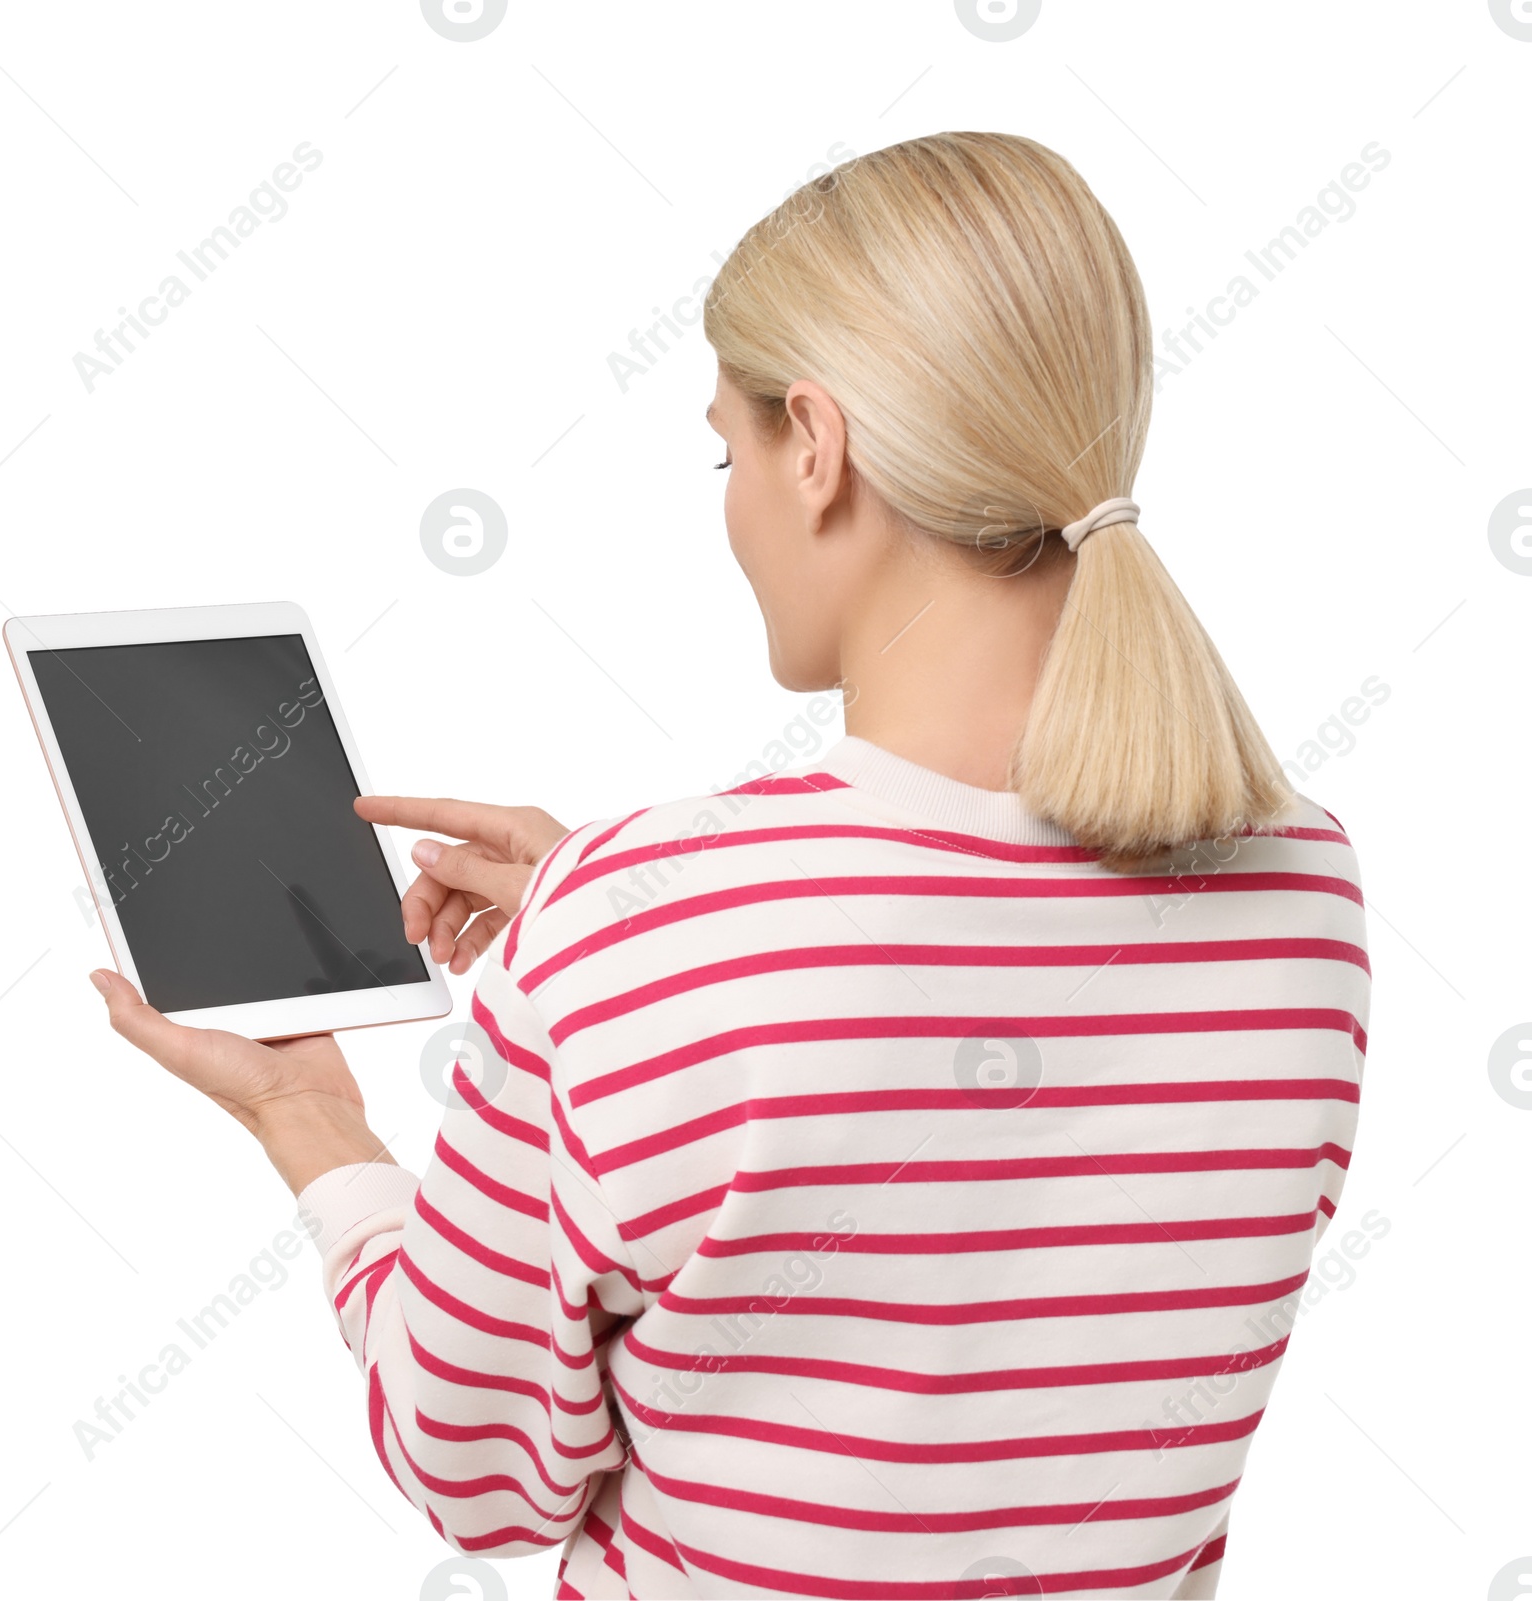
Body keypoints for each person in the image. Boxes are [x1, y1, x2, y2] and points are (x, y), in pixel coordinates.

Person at [91, 131, 1370, 1599]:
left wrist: (322, 1122)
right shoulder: (1308, 890)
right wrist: (640, 925)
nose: (732, 499)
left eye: (727, 446)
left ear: (816, 446)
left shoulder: (637, 944)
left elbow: (479, 1473)